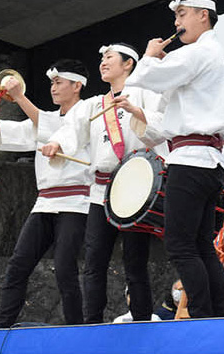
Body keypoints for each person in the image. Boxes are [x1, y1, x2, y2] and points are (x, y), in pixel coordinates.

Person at [125, 0, 224, 318]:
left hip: (191, 162)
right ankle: (218, 317)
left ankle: (202, 317)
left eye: (182, 14)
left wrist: (148, 56)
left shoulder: (198, 52)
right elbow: (173, 116)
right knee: (201, 246)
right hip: (209, 161)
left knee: (180, 244)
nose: (176, 23)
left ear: (204, 16)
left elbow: (149, 78)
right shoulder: (214, 54)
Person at [42, 44, 166, 323]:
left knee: (135, 262)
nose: (103, 62)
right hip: (102, 191)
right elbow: (71, 128)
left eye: (109, 57)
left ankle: (142, 320)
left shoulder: (144, 94)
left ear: (128, 65)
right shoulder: (93, 104)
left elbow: (161, 124)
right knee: (94, 261)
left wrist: (136, 111)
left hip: (135, 188)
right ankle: (92, 322)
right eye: (101, 58)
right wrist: (56, 142)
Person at [0, 60, 92, 328]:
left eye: (58, 82)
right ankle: (2, 327)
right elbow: (20, 131)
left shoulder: (88, 114)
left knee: (65, 268)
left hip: (76, 203)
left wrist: (20, 97)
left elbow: (51, 129)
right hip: (45, 203)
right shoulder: (47, 119)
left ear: (77, 86)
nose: (53, 88)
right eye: (52, 83)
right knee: (18, 264)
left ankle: (76, 329)